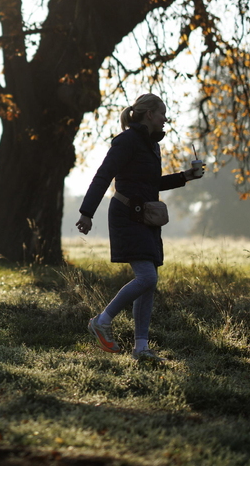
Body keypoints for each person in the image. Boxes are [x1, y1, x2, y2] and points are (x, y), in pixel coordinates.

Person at [76, 93, 204, 362]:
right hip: (126, 216)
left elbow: (150, 183)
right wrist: (86, 212)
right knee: (147, 277)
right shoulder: (127, 141)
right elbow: (103, 175)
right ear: (149, 115)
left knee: (149, 284)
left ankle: (141, 347)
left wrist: (185, 177)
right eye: (162, 113)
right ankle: (102, 320)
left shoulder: (152, 146)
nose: (165, 119)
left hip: (146, 218)